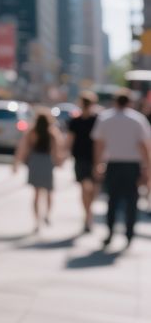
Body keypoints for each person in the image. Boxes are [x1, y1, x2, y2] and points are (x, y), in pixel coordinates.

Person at [91, 89, 151, 247]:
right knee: (132, 201)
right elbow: (144, 145)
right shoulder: (138, 119)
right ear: (130, 102)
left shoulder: (105, 118)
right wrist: (147, 167)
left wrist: (98, 164)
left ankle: (110, 232)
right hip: (132, 165)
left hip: (113, 164)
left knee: (112, 200)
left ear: (115, 101)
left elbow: (99, 144)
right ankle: (129, 234)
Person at [14, 110, 64, 232]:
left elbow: (23, 148)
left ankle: (37, 220)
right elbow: (57, 148)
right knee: (49, 191)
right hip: (47, 162)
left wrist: (17, 163)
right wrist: (59, 161)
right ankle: (46, 214)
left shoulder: (32, 131)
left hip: (35, 161)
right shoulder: (52, 132)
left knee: (36, 194)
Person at [67, 92, 99, 233]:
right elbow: (70, 139)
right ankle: (87, 216)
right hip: (81, 158)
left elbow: (101, 141)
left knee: (92, 189)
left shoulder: (97, 120)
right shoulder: (75, 121)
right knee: (86, 187)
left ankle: (88, 213)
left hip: (94, 158)